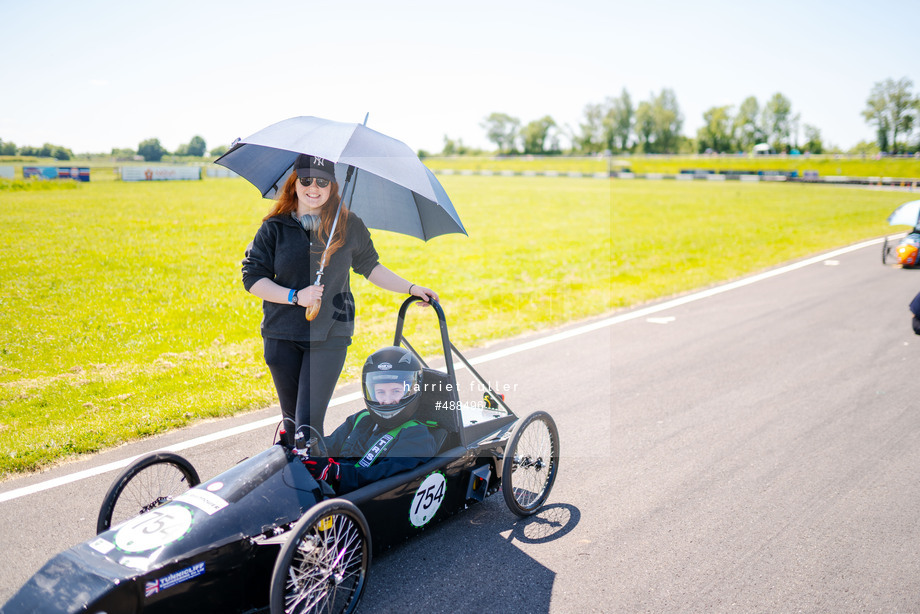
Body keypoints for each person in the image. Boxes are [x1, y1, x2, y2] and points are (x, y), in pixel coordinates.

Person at [241, 154, 438, 441]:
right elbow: (252, 278)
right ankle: (293, 470)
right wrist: (296, 296)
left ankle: (315, 477)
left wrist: (411, 288)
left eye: (322, 182)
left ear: (333, 186)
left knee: (308, 425)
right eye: (306, 180)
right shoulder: (274, 227)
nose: (314, 188)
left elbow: (370, 267)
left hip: (330, 333)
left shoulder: (348, 225)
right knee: (292, 423)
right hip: (281, 334)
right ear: (294, 183)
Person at [303, 346, 442, 494]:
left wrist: (336, 473)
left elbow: (381, 475)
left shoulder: (417, 435)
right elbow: (329, 444)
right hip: (334, 485)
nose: (387, 400)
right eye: (380, 392)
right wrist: (306, 453)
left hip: (361, 497)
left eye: (396, 391)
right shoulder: (361, 419)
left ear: (412, 389)